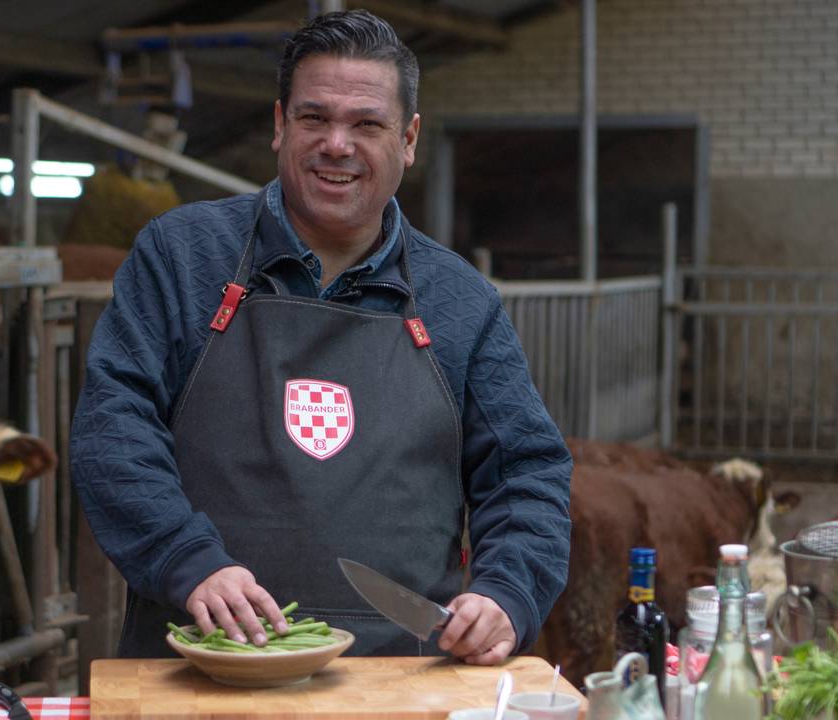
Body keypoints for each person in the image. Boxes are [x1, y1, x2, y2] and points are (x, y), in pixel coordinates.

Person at [70, 9, 572, 665]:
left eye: (367, 123)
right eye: (315, 118)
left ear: (409, 138)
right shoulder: (181, 257)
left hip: (401, 677)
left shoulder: (460, 301)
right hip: (203, 666)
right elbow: (115, 425)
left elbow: (526, 473)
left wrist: (508, 592)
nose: (338, 144)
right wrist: (184, 558)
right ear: (280, 125)